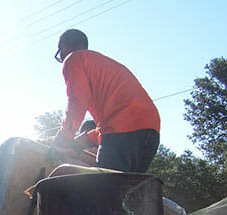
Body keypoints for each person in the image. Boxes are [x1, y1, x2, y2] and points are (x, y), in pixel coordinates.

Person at [52, 29, 160, 173]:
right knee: (127, 190)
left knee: (102, 190)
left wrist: (61, 141)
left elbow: (77, 103)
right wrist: (79, 143)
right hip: (151, 134)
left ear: (63, 48)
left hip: (124, 132)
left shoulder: (74, 59)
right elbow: (116, 123)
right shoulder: (101, 64)